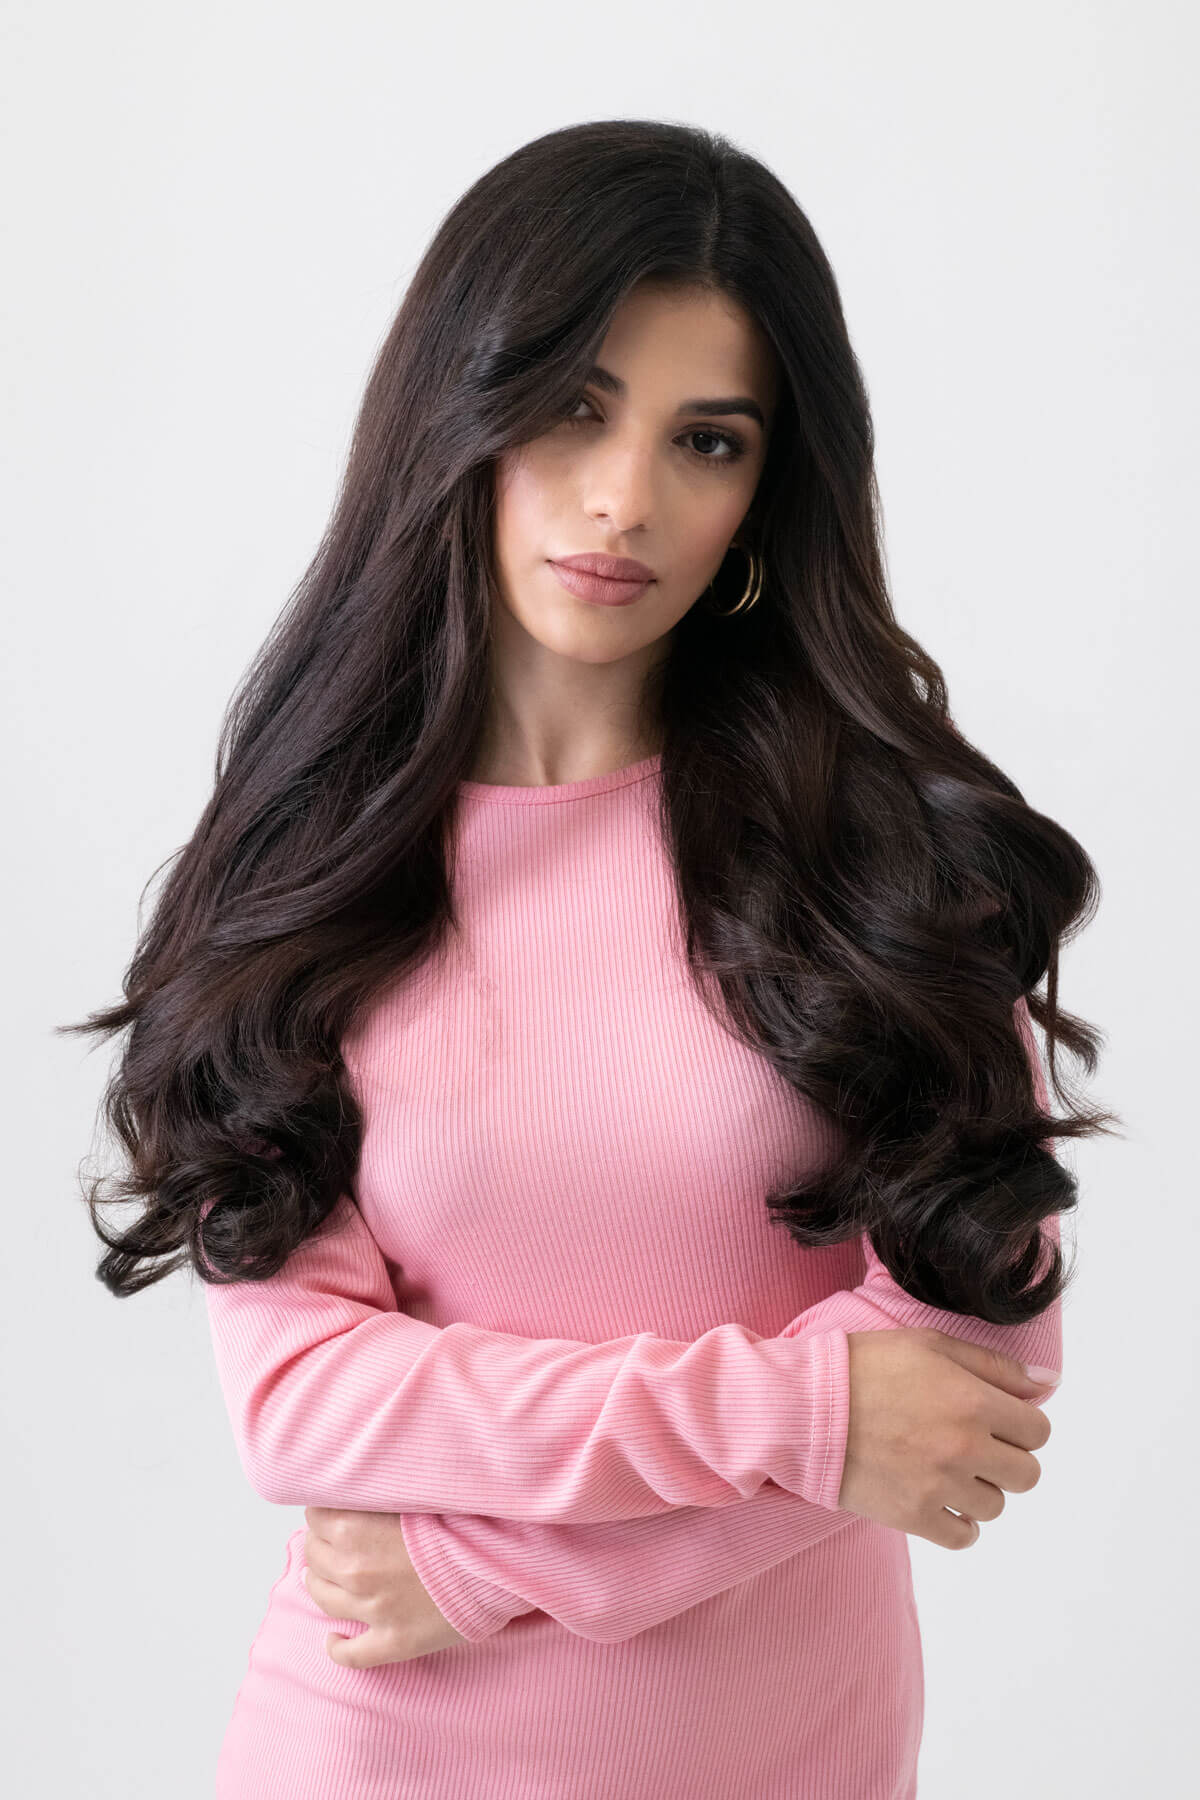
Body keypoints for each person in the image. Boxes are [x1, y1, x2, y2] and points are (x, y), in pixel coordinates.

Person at [68, 120, 1115, 1799]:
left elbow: (972, 1380)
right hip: (371, 1749)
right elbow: (308, 1404)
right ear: (460, 414)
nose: (626, 498)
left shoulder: (883, 864)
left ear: (767, 488)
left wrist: (487, 1565)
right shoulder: (307, 877)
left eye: (706, 440)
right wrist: (812, 1416)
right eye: (573, 406)